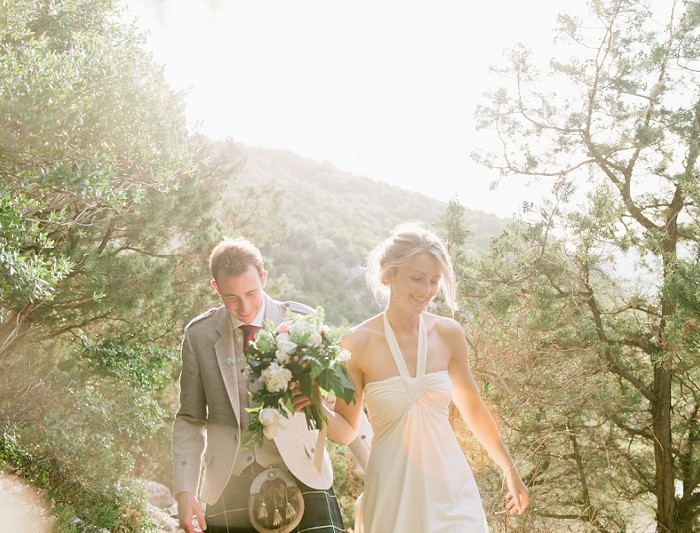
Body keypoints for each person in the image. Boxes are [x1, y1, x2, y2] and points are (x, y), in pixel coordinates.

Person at [329, 222, 529, 532]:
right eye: (417, 279)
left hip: (450, 489)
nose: (426, 291)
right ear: (388, 275)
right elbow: (346, 431)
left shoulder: (448, 335)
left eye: (434, 281)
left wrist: (509, 469)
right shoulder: (356, 343)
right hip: (392, 494)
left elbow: (473, 409)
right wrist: (310, 405)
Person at [173, 237, 371, 533]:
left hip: (306, 474)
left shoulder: (302, 322)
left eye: (252, 293)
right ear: (216, 288)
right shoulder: (199, 336)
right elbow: (190, 418)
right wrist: (185, 491)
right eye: (231, 297)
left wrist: (378, 471)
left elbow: (338, 399)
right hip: (229, 480)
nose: (244, 306)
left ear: (264, 278)